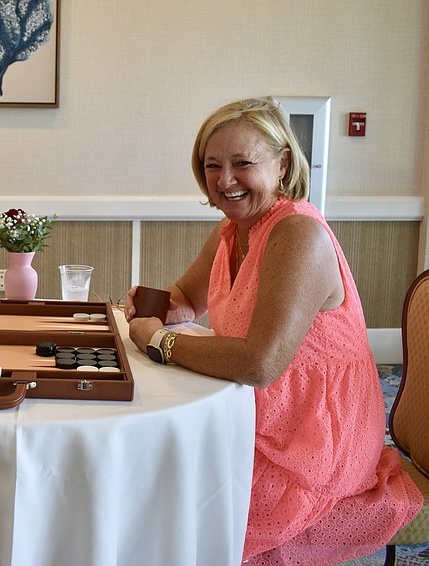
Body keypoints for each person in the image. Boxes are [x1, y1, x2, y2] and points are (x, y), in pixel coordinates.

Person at [125, 97, 422, 564]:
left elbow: (259, 364)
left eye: (243, 163)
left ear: (283, 162)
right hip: (257, 410)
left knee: (174, 495)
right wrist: (149, 305)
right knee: (154, 466)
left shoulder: (298, 235)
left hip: (313, 437)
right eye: (212, 165)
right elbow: (185, 299)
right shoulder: (230, 231)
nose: (225, 180)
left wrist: (157, 340)